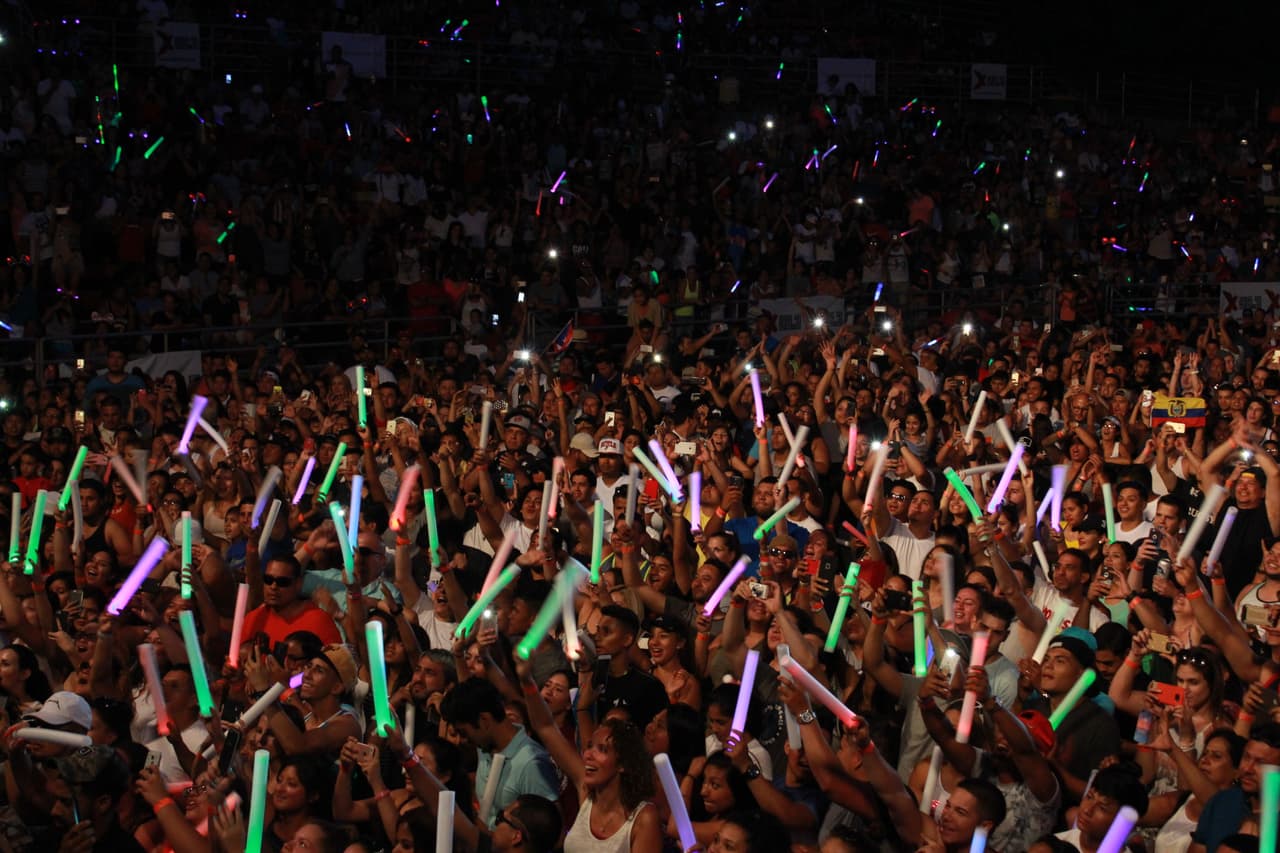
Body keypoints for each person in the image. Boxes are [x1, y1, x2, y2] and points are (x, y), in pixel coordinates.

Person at [514, 654, 662, 852]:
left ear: (623, 763)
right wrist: (526, 680)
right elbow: (545, 726)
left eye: (602, 749)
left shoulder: (643, 817)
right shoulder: (586, 792)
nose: (588, 755)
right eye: (590, 746)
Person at [440, 678, 560, 828]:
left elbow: (551, 832)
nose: (463, 740)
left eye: (464, 732)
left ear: (484, 721)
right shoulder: (484, 745)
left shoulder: (531, 763)